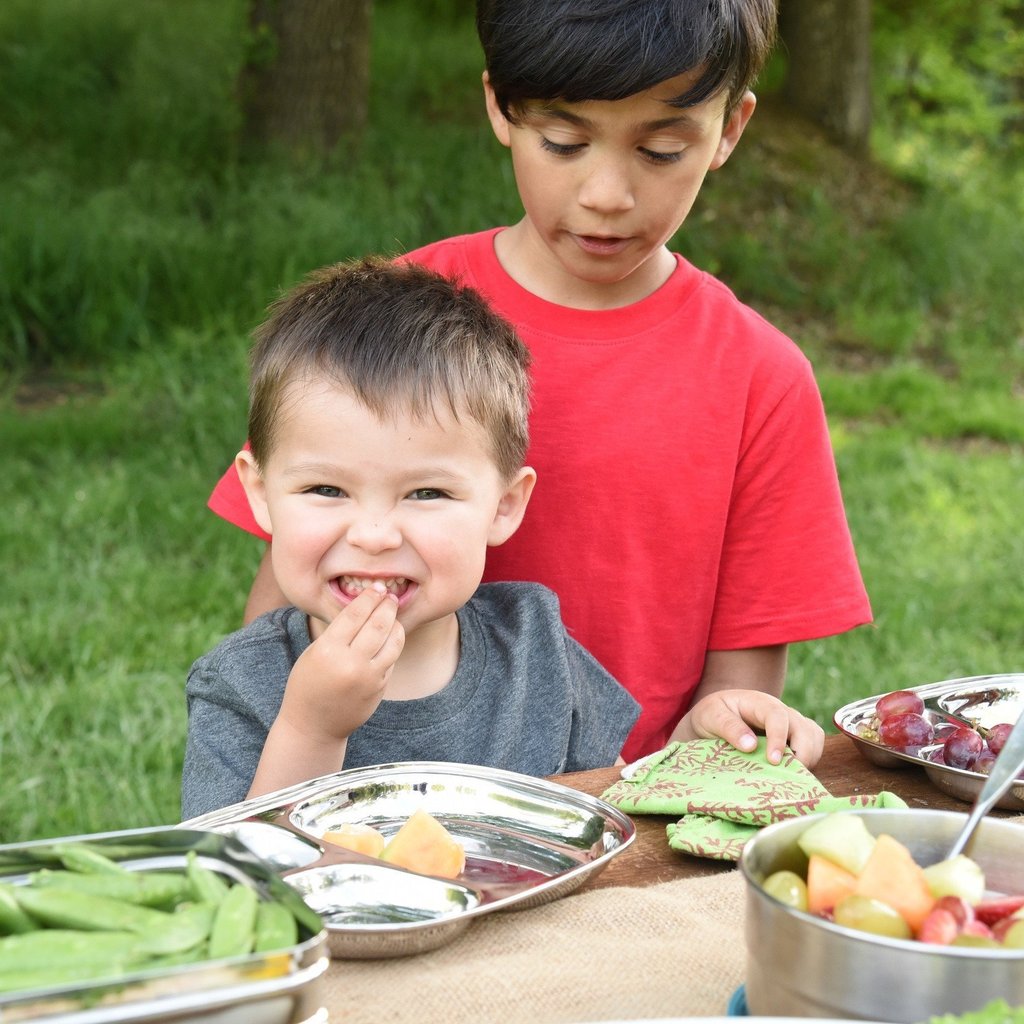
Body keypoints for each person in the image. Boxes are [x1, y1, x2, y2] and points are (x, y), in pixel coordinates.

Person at [205, 0, 864, 772]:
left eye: (658, 151)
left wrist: (722, 743)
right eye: (564, 141)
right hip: (360, 811)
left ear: (729, 130)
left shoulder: (762, 378)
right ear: (500, 106)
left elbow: (735, 705)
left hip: (615, 828)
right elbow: (277, 619)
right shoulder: (387, 323)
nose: (607, 194)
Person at [182, 258, 647, 818]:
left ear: (503, 506)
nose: (374, 536)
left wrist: (697, 738)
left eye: (426, 494)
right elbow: (236, 882)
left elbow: (618, 823)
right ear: (260, 494)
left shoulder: (537, 649)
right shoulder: (241, 683)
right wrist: (312, 729)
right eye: (327, 488)